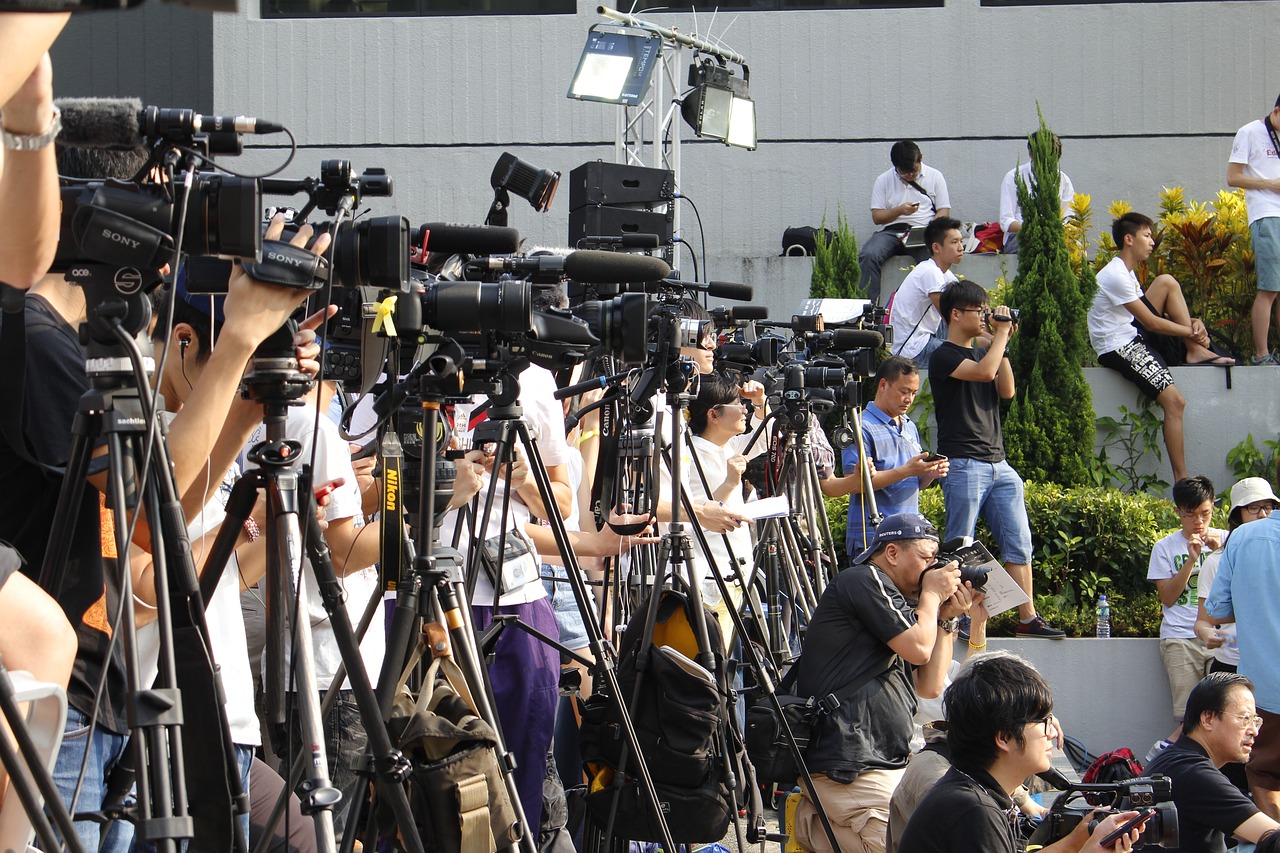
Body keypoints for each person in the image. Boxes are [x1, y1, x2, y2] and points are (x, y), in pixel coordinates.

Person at [791, 511, 970, 853]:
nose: (932, 570)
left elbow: (930, 685)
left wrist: (946, 618)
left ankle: (813, 823)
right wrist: (932, 596)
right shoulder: (863, 579)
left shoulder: (900, 604)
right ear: (892, 553)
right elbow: (918, 649)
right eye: (926, 559)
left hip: (883, 763)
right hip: (852, 768)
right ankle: (812, 822)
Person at [898, 654, 1147, 853]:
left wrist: (1077, 839)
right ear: (1004, 737)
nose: (1052, 732)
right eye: (1043, 721)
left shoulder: (974, 791)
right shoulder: (973, 811)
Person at [929, 280, 1063, 638]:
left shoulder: (986, 351)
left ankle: (1027, 618)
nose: (987, 316)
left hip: (998, 462)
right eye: (980, 311)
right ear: (956, 315)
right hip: (963, 461)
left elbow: (1007, 390)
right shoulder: (944, 354)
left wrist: (1000, 341)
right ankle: (954, 618)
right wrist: (1000, 334)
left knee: (1019, 540)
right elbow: (984, 374)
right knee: (961, 541)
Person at [1088, 212, 1232, 483]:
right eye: (1147, 236)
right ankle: (1182, 480)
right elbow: (1153, 323)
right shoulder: (1115, 276)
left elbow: (1153, 317)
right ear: (1129, 239)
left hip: (1132, 332)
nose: (1152, 242)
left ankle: (1194, 349)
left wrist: (1193, 324)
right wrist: (1192, 330)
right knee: (1175, 402)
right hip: (1118, 345)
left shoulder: (1126, 273)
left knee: (1166, 282)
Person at [824, 356, 948, 558]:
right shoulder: (860, 426)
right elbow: (854, 484)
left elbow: (911, 482)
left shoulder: (908, 425)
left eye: (914, 393)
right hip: (874, 538)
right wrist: (907, 470)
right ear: (883, 385)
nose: (909, 399)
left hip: (908, 536)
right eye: (904, 391)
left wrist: (928, 474)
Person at [1144, 672, 1280, 852]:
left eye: (1256, 721)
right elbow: (1272, 836)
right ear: (1207, 719)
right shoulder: (1195, 774)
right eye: (1245, 718)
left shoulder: (1171, 758)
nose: (1254, 731)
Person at [1205, 499, 1280, 820]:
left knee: (1263, 775)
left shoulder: (1245, 537)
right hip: (1262, 690)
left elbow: (1217, 609)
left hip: (1264, 690)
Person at [1146, 476, 1223, 760]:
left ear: (1213, 507)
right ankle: (1170, 758)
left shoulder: (1226, 540)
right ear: (1177, 511)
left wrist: (1217, 554)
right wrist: (1191, 561)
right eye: (1190, 515)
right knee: (1190, 716)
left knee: (1220, 713)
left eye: (1205, 514)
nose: (1198, 522)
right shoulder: (1164, 547)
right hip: (1180, 637)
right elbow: (1167, 597)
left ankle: (1166, 753)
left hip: (1220, 637)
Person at [1196, 478, 1280, 673]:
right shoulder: (1217, 561)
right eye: (1253, 507)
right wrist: (1207, 633)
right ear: (1237, 515)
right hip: (1230, 662)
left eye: (1268, 507)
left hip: (1269, 663)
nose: (1262, 514)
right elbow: (1205, 618)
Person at [858, 140, 951, 306]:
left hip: (922, 230)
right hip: (892, 231)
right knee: (869, 254)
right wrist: (899, 210)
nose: (909, 176)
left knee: (933, 261)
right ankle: (868, 310)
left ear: (920, 158)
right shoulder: (883, 180)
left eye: (913, 171)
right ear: (895, 166)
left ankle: (937, 311)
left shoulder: (935, 176)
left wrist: (932, 228)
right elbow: (877, 217)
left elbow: (944, 210)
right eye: (903, 173)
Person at [1227, 95, 1280, 365]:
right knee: (1270, 288)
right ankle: (1261, 354)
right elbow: (1232, 177)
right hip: (1267, 214)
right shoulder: (1250, 132)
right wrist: (1270, 183)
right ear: (1276, 111)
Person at [887, 215, 963, 367]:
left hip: (924, 337)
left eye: (961, 241)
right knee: (965, 355)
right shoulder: (930, 272)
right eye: (954, 242)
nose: (961, 247)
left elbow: (968, 303)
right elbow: (950, 318)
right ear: (936, 247)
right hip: (911, 350)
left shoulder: (943, 273)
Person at [998, 133, 1075, 255]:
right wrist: (1034, 230)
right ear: (1030, 153)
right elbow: (1006, 221)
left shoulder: (1063, 180)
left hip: (1055, 236)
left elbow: (1069, 218)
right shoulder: (1013, 177)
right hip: (1021, 237)